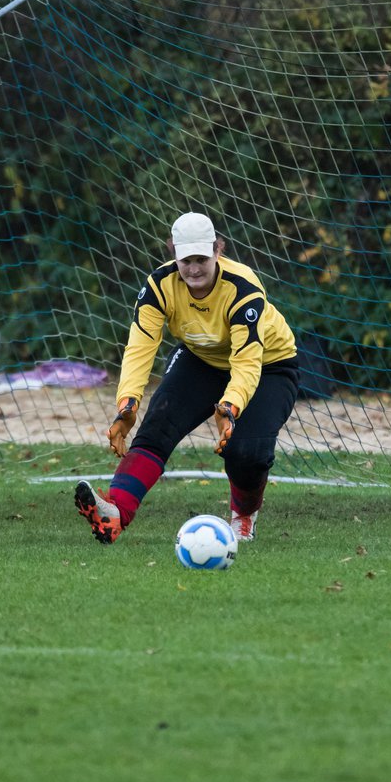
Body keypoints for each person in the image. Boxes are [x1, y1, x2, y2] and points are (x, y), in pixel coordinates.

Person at [74, 212, 300, 545]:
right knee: (157, 427)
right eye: (186, 260)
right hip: (201, 359)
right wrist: (127, 403)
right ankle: (115, 514)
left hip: (270, 366)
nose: (194, 268)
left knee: (247, 453)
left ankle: (243, 516)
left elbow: (247, 361)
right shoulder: (159, 286)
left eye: (201, 259)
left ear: (217, 251)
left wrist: (230, 407)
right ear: (174, 255)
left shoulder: (244, 288)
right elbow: (140, 346)